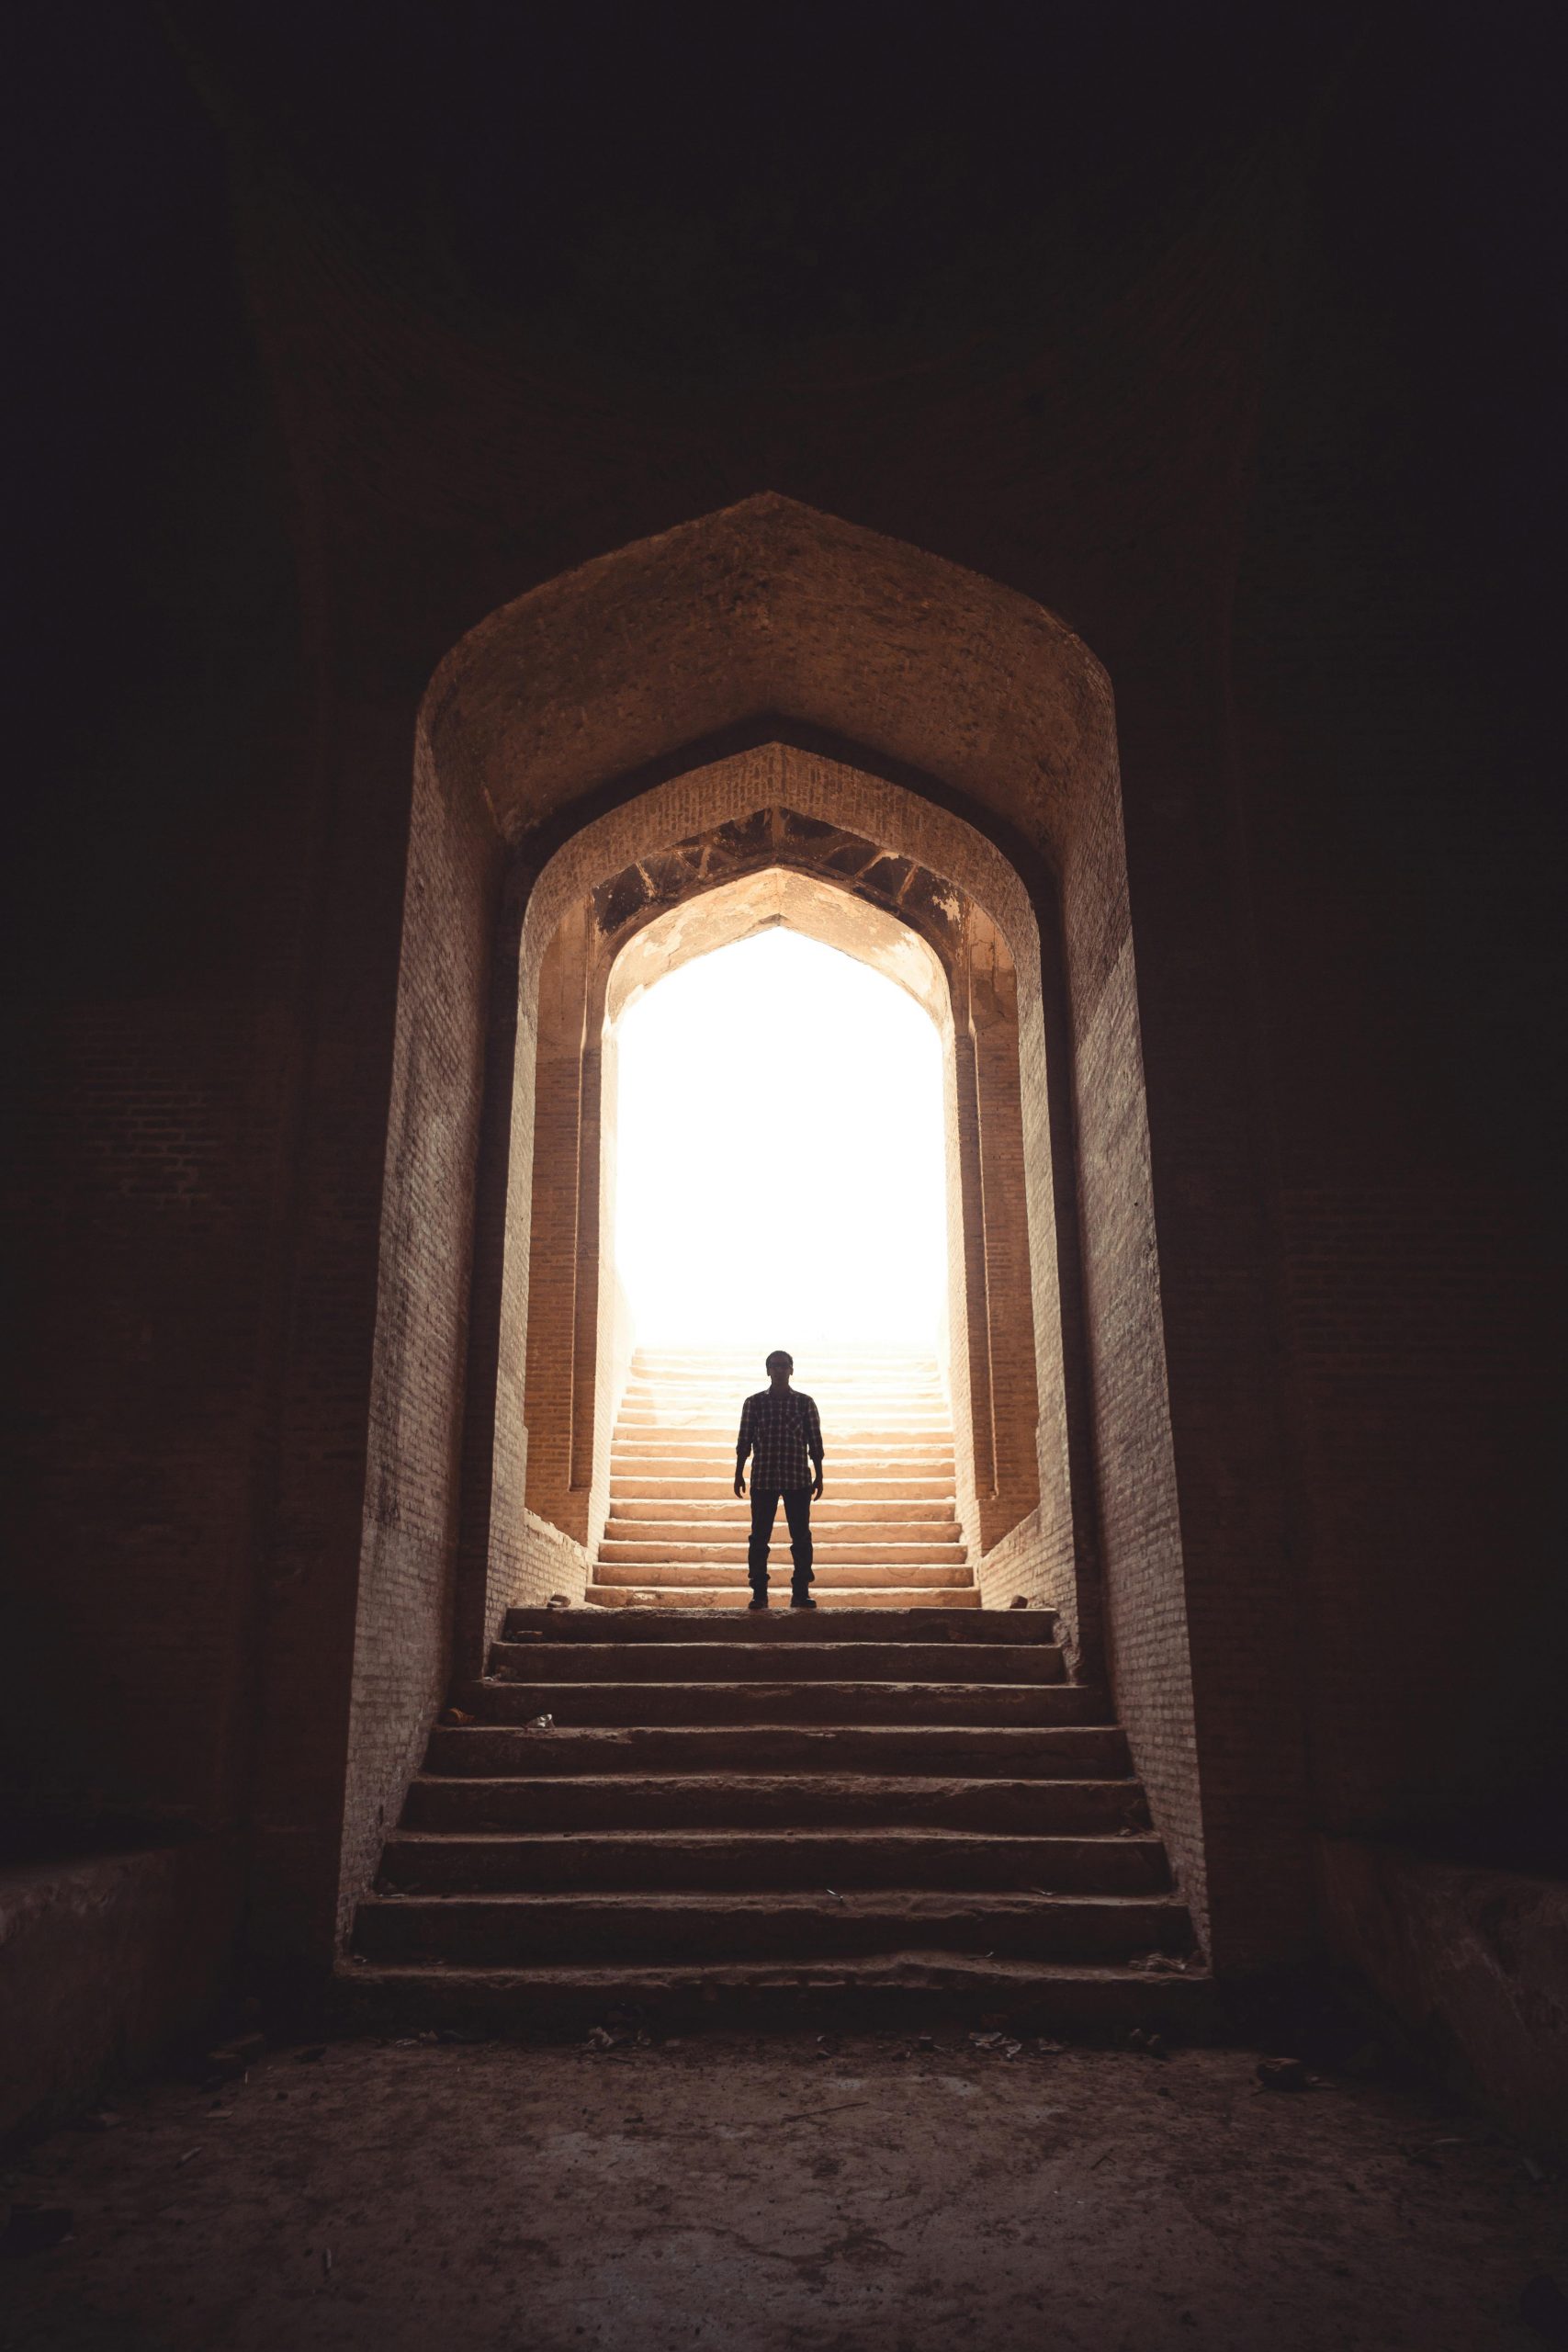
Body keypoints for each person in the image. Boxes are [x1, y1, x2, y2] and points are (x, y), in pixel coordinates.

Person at [733, 1351, 824, 1611]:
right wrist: (739, 1472)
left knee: (801, 1538)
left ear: (791, 1370)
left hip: (797, 1478)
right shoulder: (754, 1403)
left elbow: (815, 1442)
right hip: (763, 1478)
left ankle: (801, 1592)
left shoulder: (805, 1403)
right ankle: (759, 1593)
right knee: (759, 1539)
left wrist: (819, 1474)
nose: (779, 1370)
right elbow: (744, 1440)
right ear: (768, 1370)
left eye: (784, 1366)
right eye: (775, 1366)